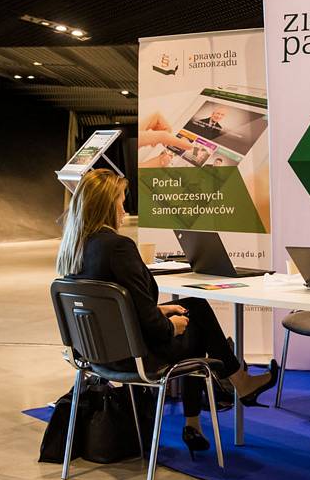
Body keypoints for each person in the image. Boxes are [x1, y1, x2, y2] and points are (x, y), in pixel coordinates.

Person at [56, 169, 278, 456]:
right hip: (137, 357)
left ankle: (197, 421)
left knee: (193, 308)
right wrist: (171, 326)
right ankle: (235, 385)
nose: (124, 209)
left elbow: (111, 307)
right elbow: (154, 328)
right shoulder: (119, 247)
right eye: (121, 200)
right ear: (107, 205)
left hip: (94, 356)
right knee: (196, 317)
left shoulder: (74, 248)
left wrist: (159, 310)